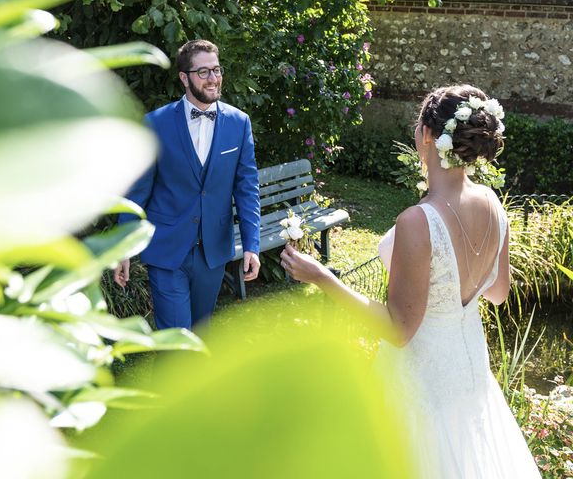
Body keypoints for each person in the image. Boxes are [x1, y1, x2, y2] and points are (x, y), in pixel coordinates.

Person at [280, 85, 541, 477]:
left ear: (428, 137)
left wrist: (322, 278)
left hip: (423, 379)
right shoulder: (492, 202)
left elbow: (399, 330)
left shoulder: (418, 221)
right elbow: (499, 293)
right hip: (470, 373)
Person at [114, 39, 261, 330]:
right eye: (203, 72)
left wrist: (251, 245)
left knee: (199, 334)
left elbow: (246, 189)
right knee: (176, 339)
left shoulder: (239, 123)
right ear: (184, 78)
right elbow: (137, 192)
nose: (213, 79)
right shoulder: (155, 124)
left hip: (213, 252)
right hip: (168, 250)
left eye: (216, 70)